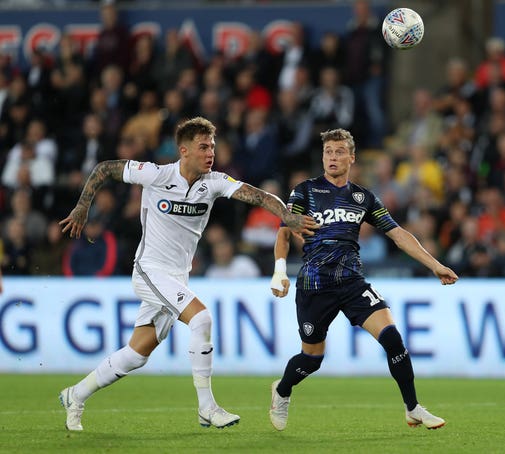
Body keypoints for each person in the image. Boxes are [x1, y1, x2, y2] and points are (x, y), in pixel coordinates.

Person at [57, 117, 318, 432]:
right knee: (202, 319)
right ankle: (207, 407)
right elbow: (104, 168)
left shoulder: (214, 182)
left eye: (212, 146)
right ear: (184, 151)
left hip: (177, 278)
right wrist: (83, 206)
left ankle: (76, 395)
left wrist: (289, 217)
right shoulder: (155, 174)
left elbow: (260, 196)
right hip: (150, 271)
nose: (210, 153)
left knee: (136, 354)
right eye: (203, 147)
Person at [268, 128, 458, 431]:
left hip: (352, 282)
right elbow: (284, 231)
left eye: (339, 151)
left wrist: (435, 265)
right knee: (312, 358)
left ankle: (413, 408)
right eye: (328, 151)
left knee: (393, 338)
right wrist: (279, 271)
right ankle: (282, 390)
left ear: (352, 158)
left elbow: (398, 234)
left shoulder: (363, 198)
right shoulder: (305, 191)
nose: (332, 157)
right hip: (314, 285)